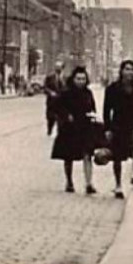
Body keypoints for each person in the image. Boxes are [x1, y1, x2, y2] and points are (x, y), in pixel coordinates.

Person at [51, 66, 99, 194]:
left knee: (88, 154)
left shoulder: (88, 93)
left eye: (83, 79)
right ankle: (69, 181)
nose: (81, 81)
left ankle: (89, 183)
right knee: (68, 156)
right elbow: (57, 107)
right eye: (78, 79)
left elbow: (92, 108)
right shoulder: (66, 93)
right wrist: (66, 115)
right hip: (70, 128)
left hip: (85, 127)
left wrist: (93, 116)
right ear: (73, 79)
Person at [102, 59, 133, 199]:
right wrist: (107, 129)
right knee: (117, 157)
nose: (129, 72)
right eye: (127, 69)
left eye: (132, 69)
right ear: (121, 71)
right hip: (118, 125)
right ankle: (118, 185)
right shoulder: (112, 88)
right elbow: (107, 110)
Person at [43, 69, 62, 136]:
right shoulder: (49, 77)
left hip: (61, 102)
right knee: (50, 117)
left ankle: (60, 132)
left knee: (61, 117)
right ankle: (49, 130)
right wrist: (50, 92)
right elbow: (45, 88)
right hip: (51, 101)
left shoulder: (64, 78)